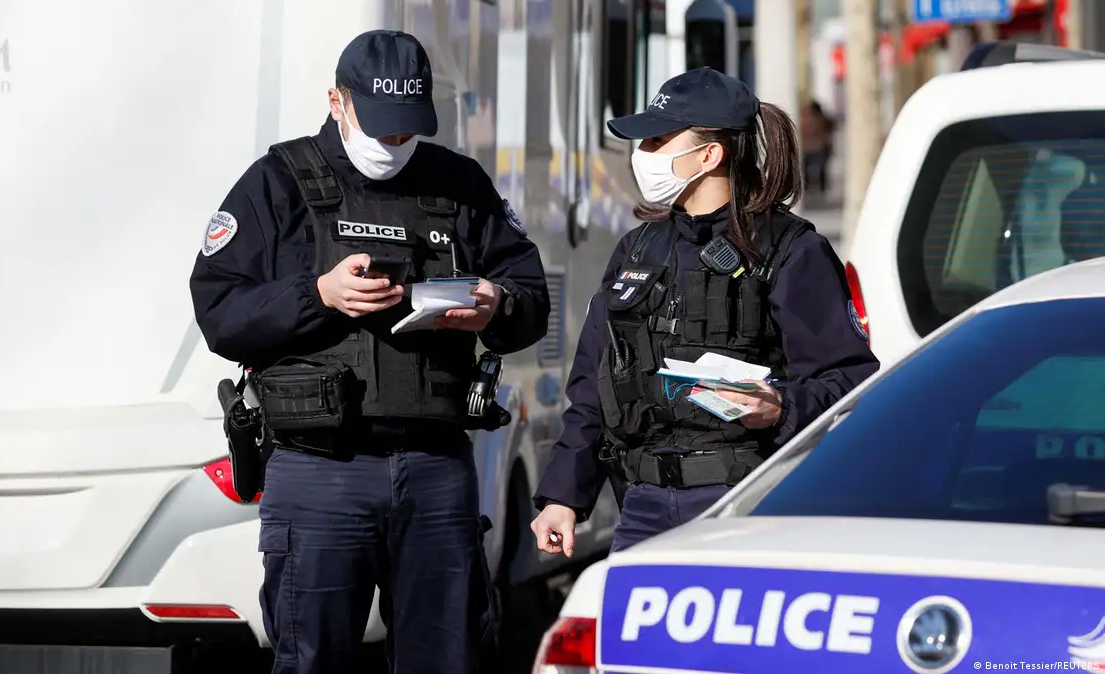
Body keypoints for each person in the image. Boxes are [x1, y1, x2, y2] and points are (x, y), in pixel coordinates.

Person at [189, 29, 550, 674]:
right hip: (320, 470)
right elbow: (220, 312)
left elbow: (530, 297)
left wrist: (497, 305)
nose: (395, 141)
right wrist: (318, 295)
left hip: (435, 466)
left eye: (408, 126)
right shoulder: (279, 182)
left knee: (448, 658)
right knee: (312, 660)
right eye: (381, 125)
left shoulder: (459, 183)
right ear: (337, 101)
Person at [529, 67, 879, 555]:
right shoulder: (637, 249)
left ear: (710, 154)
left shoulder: (792, 252)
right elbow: (594, 385)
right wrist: (563, 497)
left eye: (657, 141)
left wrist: (780, 407)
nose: (641, 154)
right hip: (643, 506)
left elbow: (849, 382)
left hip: (748, 504)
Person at [800, 100, 835, 197]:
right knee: (819, 168)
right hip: (818, 148)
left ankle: (809, 187)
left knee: (807, 168)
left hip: (811, 148)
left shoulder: (805, 119)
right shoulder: (821, 119)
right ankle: (820, 188)